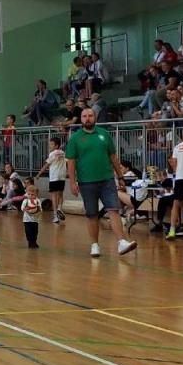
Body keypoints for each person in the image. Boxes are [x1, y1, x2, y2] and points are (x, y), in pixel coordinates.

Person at [65, 106, 136, 258]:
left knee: (113, 209)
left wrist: (120, 176)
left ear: (95, 117)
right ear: (81, 119)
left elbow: (113, 157)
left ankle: (122, 241)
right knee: (92, 214)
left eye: (90, 115)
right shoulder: (75, 138)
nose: (87, 118)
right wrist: (72, 182)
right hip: (86, 182)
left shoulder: (104, 134)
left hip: (107, 180)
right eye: (84, 116)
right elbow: (71, 162)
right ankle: (95, 244)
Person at [38, 135, 67, 223]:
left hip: (54, 177)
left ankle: (55, 215)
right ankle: (60, 209)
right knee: (60, 194)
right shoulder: (63, 153)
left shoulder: (52, 154)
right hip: (62, 176)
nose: (49, 146)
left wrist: (39, 174)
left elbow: (46, 165)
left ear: (56, 146)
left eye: (51, 144)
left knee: (54, 196)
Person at [20, 183, 43, 249]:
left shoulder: (38, 201)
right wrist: (26, 209)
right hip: (26, 220)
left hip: (35, 220)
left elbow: (40, 209)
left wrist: (36, 210)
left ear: (36, 194)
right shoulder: (25, 201)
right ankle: (30, 242)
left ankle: (34, 241)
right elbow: (22, 208)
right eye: (29, 194)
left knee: (35, 232)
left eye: (32, 194)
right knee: (28, 232)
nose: (30, 196)